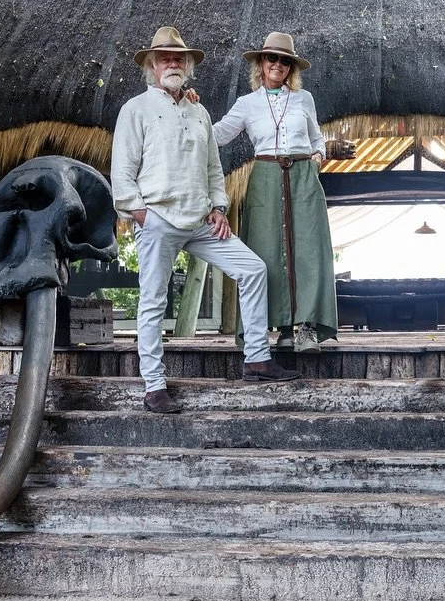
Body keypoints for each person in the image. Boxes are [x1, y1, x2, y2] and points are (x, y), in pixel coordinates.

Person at [111, 26, 301, 413]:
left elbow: (214, 168)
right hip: (158, 217)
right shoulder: (136, 109)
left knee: (252, 269)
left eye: (179, 58)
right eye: (165, 58)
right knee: (153, 300)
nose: (172, 63)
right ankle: (154, 386)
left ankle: (256, 360)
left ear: (188, 66)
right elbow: (123, 170)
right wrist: (140, 212)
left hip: (201, 219)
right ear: (152, 66)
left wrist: (218, 207)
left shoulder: (198, 111)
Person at [212, 31, 338, 353]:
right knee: (267, 251)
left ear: (291, 67)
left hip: (303, 175)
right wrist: (188, 116)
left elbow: (316, 137)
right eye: (272, 58)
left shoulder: (304, 99)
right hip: (266, 176)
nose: (278, 64)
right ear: (261, 63)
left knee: (309, 249)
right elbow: (218, 135)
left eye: (285, 60)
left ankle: (307, 328)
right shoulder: (246, 104)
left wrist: (318, 157)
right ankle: (282, 328)